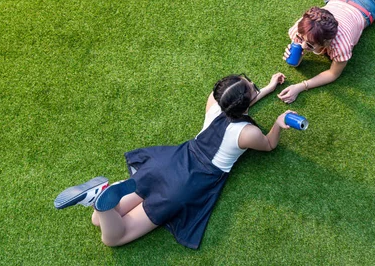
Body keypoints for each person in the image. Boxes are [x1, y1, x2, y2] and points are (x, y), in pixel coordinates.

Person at [54, 73, 293, 249]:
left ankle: (101, 196)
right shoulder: (247, 134)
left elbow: (240, 103)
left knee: (99, 221)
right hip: (187, 184)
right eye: (253, 85)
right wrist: (278, 123)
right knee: (113, 238)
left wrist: (269, 87)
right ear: (245, 102)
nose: (254, 85)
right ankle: (98, 200)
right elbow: (269, 145)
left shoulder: (214, 101)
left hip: (169, 161)